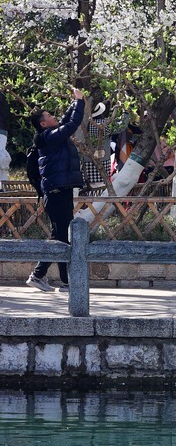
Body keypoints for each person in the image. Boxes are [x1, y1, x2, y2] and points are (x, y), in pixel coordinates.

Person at [26, 87, 85, 293]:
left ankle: (60, 280)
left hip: (60, 191)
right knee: (61, 237)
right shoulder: (49, 137)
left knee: (60, 236)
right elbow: (71, 125)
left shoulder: (51, 135)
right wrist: (80, 102)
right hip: (56, 192)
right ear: (43, 123)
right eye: (50, 116)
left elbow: (65, 120)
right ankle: (41, 275)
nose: (54, 117)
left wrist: (73, 103)